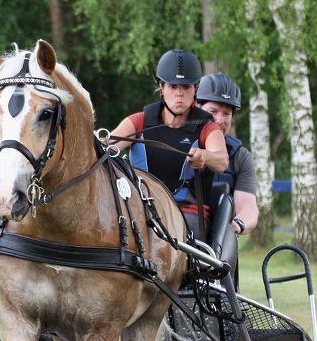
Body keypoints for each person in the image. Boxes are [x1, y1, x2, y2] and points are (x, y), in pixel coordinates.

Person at [108, 49, 228, 240]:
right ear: (161, 87)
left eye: (186, 87)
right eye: (173, 86)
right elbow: (108, 146)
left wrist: (205, 156)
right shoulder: (139, 121)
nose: (179, 94)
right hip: (141, 208)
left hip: (187, 213)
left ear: (196, 88)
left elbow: (222, 161)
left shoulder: (207, 126)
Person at [195, 72, 258, 236]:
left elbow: (248, 207)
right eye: (213, 111)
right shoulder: (180, 143)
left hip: (220, 236)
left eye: (226, 114)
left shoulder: (240, 156)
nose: (219, 120)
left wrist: (239, 223)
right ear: (197, 108)